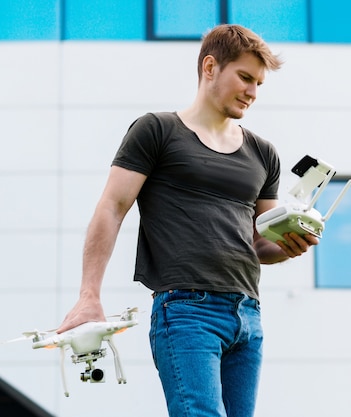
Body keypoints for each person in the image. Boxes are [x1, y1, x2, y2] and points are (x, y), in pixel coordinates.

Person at [57, 24, 318, 417]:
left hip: (248, 314)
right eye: (245, 78)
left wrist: (288, 246)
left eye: (260, 83)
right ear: (210, 67)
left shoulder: (264, 153)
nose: (253, 92)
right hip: (186, 312)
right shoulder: (157, 131)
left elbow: (262, 242)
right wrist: (88, 295)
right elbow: (111, 208)